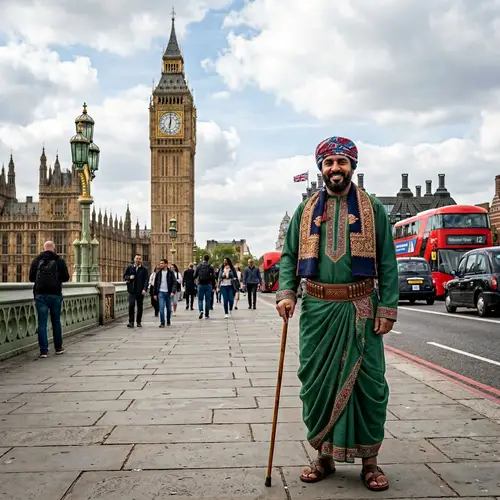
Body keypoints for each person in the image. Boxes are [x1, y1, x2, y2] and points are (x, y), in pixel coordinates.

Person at [275, 136, 398, 492]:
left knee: (369, 386)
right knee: (318, 387)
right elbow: (288, 255)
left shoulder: (372, 208)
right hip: (317, 312)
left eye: (341, 162)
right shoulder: (306, 209)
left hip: (361, 310)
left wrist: (387, 308)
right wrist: (286, 294)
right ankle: (323, 457)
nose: (335, 169)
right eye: (329, 163)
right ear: (321, 168)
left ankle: (370, 463)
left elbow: (388, 262)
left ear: (352, 167)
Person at [29, 240, 70, 358]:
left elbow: (31, 278)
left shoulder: (37, 260)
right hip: (55, 294)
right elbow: (66, 278)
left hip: (40, 295)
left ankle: (43, 351)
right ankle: (58, 348)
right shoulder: (59, 260)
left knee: (42, 323)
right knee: (56, 321)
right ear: (54, 248)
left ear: (43, 248)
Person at [123, 254, 149, 328]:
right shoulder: (130, 267)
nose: (138, 260)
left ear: (141, 260)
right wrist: (129, 277)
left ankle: (138, 322)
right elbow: (124, 276)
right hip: (132, 290)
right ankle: (131, 322)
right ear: (134, 259)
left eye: (140, 259)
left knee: (140, 307)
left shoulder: (144, 269)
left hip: (140, 291)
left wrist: (144, 289)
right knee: (131, 305)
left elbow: (146, 280)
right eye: (137, 258)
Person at [153, 259, 175, 327]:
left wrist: (172, 291)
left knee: (168, 309)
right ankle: (162, 322)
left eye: (162, 263)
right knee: (161, 308)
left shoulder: (170, 272)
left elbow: (174, 282)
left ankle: (168, 320)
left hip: (168, 293)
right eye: (160, 263)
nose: (161, 264)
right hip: (161, 292)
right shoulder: (158, 273)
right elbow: (155, 283)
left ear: (166, 264)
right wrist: (154, 294)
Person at [194, 254, 215, 319]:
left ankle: (201, 311)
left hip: (200, 284)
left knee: (200, 299)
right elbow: (214, 276)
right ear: (208, 259)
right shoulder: (210, 267)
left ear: (203, 258)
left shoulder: (199, 266)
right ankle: (207, 314)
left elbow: (194, 275)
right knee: (208, 300)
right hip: (208, 284)